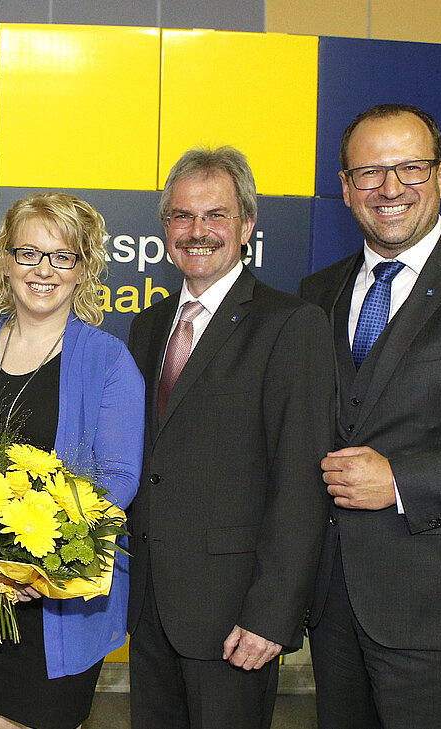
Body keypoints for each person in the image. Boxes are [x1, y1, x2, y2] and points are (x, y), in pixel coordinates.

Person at [125, 147, 334, 729]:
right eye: (182, 216)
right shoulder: (149, 325)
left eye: (215, 215)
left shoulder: (291, 325)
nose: (198, 231)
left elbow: (301, 482)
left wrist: (272, 615)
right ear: (166, 227)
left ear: (246, 226)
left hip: (235, 615)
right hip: (150, 609)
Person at [298, 104, 441, 729]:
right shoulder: (317, 293)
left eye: (410, 168)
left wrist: (402, 481)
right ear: (346, 186)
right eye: (370, 172)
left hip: (440, 609)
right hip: (332, 606)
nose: (389, 188)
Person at [0, 193, 143, 729]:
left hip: (56, 590)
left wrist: (39, 563)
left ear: (84, 268)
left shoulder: (107, 358)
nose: (43, 270)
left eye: (63, 256)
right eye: (29, 253)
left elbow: (118, 478)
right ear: (5, 260)